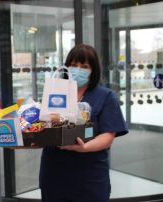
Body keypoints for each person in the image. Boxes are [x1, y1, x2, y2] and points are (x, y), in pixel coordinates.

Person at [39, 44, 128, 202]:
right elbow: (42, 126)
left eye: (84, 66)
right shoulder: (55, 94)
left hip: (89, 177)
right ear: (66, 67)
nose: (78, 69)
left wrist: (84, 147)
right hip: (54, 174)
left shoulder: (106, 96)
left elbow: (108, 136)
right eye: (73, 65)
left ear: (93, 70)